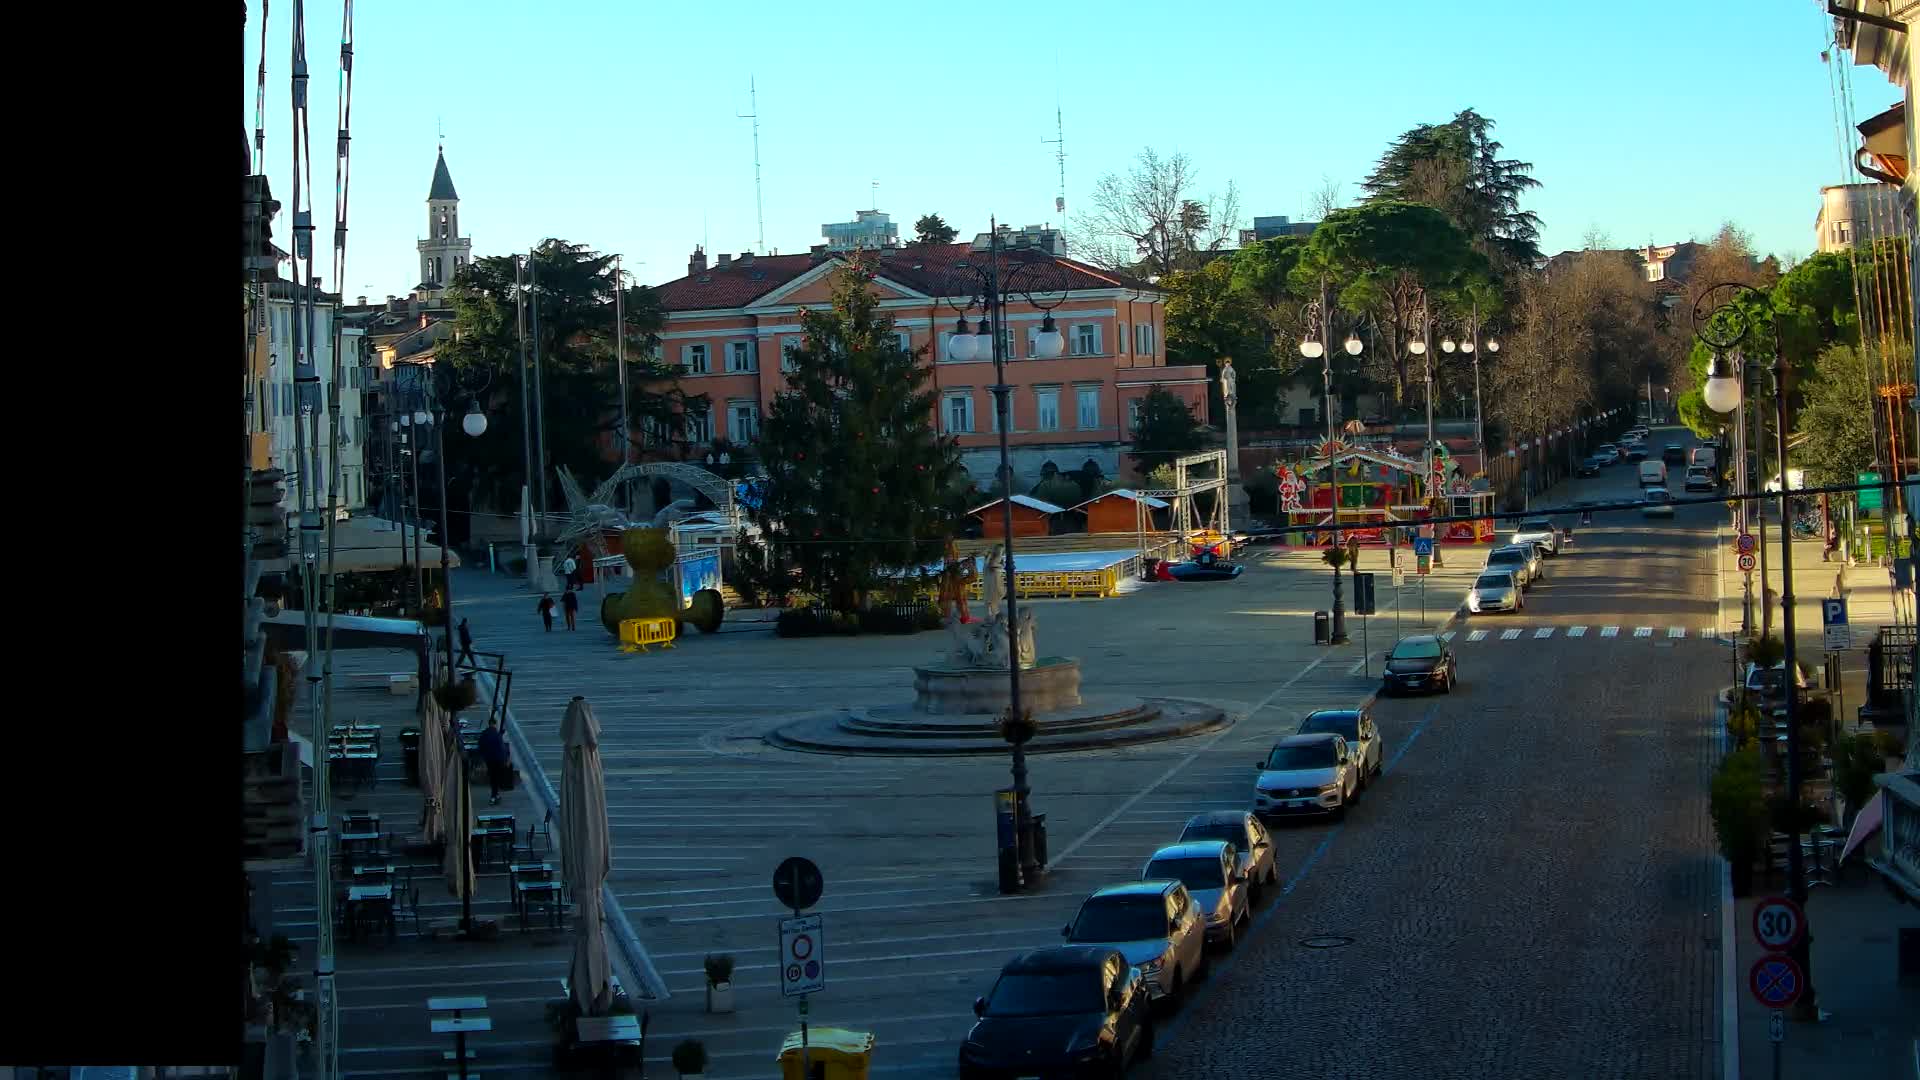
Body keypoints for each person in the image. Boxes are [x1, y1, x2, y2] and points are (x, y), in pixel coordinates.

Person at [476, 718, 512, 806]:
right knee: (496, 777)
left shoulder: (485, 733)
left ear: (489, 724)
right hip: (499, 759)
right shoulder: (497, 734)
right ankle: (494, 795)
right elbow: (502, 748)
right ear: (495, 724)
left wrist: (482, 758)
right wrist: (506, 759)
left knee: (493, 777)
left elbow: (480, 746)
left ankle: (495, 795)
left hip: (489, 759)